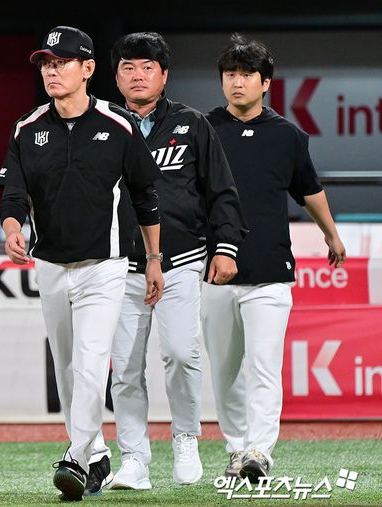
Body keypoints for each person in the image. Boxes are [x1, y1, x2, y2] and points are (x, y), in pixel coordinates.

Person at [0, 25, 165, 502]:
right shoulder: (28, 128)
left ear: (88, 68)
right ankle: (95, 455)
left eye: (62, 62)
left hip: (104, 264)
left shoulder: (118, 124)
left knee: (92, 363)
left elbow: (146, 195)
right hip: (50, 264)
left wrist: (154, 259)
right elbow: (12, 194)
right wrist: (12, 228)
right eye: (46, 64)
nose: (52, 71)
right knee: (67, 368)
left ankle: (74, 457)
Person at [102, 32, 248, 490]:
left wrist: (226, 246)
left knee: (182, 354)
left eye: (147, 67)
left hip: (182, 260)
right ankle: (134, 458)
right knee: (125, 367)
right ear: (116, 77)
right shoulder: (103, 125)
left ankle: (185, 437)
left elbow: (221, 189)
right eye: (128, 67)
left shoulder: (192, 124)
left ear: (164, 75)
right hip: (119, 265)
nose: (137, 75)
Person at [202, 33, 347, 483]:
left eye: (246, 75)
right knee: (225, 372)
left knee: (264, 366)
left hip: (269, 271)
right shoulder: (203, 130)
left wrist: (332, 236)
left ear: (266, 82)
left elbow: (309, 191)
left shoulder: (288, 135)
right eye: (230, 74)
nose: (237, 82)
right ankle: (235, 448)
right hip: (213, 272)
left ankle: (258, 451)